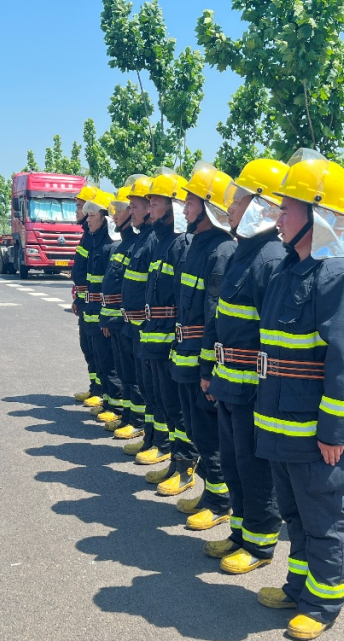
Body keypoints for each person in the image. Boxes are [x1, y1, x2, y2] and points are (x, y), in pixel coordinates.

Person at [252, 149, 344, 641]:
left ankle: (325, 601)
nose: (278, 217)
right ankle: (299, 586)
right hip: (282, 423)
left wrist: (335, 432)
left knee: (324, 515)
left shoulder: (342, 277)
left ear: (317, 215)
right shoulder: (289, 270)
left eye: (288, 208)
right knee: (295, 513)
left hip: (316, 431)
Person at [200, 158, 288, 566]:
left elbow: (271, 340)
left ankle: (260, 543)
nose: (229, 209)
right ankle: (239, 532)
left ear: (258, 206)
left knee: (255, 469)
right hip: (229, 382)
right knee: (234, 463)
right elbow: (222, 318)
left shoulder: (269, 259)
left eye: (236, 202)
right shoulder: (242, 253)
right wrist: (214, 375)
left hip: (252, 387)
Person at [172, 161, 237, 529]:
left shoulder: (222, 251)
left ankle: (220, 499)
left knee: (211, 435)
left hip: (203, 361)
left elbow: (214, 317)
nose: (185, 209)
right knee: (197, 429)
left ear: (209, 206)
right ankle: (211, 492)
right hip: (186, 355)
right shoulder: (198, 246)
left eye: (191, 203)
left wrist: (209, 368)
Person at [138, 170, 194, 495]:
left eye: (155, 202)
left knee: (177, 408)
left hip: (170, 342)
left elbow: (182, 303)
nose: (150, 208)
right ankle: (174, 460)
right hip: (153, 340)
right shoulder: (159, 243)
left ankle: (186, 465)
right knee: (163, 403)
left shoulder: (180, 245)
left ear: (172, 205)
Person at [119, 175, 170, 462]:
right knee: (149, 390)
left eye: (142, 205)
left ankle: (162, 444)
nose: (140, 211)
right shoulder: (146, 241)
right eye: (142, 205)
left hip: (151, 329)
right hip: (139, 327)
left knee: (160, 395)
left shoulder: (155, 242)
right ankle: (152, 438)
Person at [100, 185, 145, 441]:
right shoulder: (124, 246)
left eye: (121, 210)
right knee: (124, 372)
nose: (115, 215)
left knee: (135, 377)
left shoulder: (137, 244)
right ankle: (129, 416)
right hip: (119, 320)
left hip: (130, 322)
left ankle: (137, 420)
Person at [82, 189, 125, 428]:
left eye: (91, 216)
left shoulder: (111, 247)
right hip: (93, 312)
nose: (87, 220)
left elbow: (113, 287)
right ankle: (109, 401)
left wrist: (107, 318)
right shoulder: (97, 244)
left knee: (110, 363)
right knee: (99, 358)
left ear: (104, 218)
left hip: (104, 314)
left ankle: (116, 405)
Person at [72, 184, 102, 406]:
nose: (78, 212)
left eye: (81, 207)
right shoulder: (87, 236)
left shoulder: (97, 238)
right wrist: (78, 298)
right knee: (88, 347)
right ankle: (95, 388)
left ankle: (102, 392)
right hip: (85, 300)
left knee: (99, 350)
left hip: (97, 304)